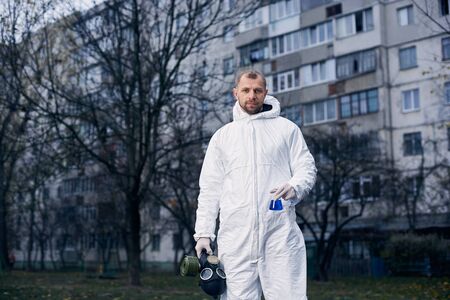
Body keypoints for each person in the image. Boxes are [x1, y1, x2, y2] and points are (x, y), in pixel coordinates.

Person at [194, 70, 316, 300]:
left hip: (279, 236)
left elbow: (306, 168)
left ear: (266, 93)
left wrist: (295, 186)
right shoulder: (222, 137)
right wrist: (203, 234)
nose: (252, 95)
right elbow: (210, 189)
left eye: (257, 90)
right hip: (236, 237)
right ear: (235, 93)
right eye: (246, 90)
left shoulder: (287, 130)